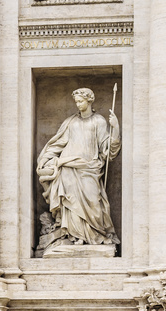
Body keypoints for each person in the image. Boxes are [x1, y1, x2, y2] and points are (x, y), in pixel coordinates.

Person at [36, 87, 121, 246]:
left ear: (89, 101)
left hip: (89, 167)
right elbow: (58, 144)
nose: (78, 104)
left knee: (93, 202)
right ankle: (75, 236)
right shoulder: (71, 122)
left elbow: (107, 150)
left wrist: (115, 128)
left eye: (81, 101)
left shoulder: (99, 121)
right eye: (76, 102)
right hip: (68, 167)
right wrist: (45, 158)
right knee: (71, 202)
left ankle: (94, 234)